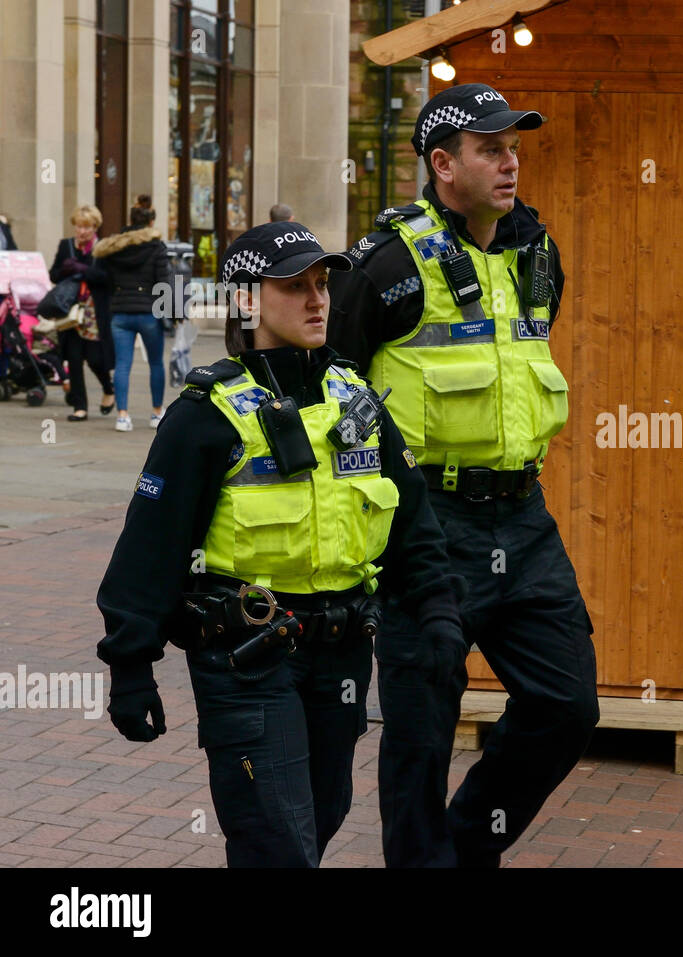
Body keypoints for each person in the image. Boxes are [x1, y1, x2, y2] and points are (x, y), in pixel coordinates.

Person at [95, 221, 465, 867]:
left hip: (342, 661)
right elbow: (149, 546)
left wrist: (437, 610)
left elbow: (413, 522)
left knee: (317, 823)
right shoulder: (205, 415)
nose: (318, 299)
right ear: (247, 300)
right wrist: (131, 665)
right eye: (295, 286)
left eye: (322, 284)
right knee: (280, 847)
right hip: (247, 663)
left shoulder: (358, 402)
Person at [328, 82, 598, 868]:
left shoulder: (538, 253)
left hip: (522, 518)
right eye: (491, 148)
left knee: (566, 703)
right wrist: (364, 525)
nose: (511, 162)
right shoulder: (383, 266)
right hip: (425, 524)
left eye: (514, 147)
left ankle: (467, 843)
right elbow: (334, 397)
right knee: (420, 729)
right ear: (443, 164)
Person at [91, 195, 171, 431]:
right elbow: (164, 282)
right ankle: (157, 413)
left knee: (123, 365)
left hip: (120, 312)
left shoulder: (114, 248)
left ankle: (123, 416)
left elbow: (103, 277)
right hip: (149, 312)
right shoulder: (157, 247)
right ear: (150, 223)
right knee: (156, 363)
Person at [50, 204, 116, 420]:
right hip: (70, 311)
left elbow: (108, 279)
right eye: (78, 226)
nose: (82, 231)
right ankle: (80, 407)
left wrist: (84, 270)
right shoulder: (66, 246)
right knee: (74, 357)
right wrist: (65, 269)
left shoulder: (103, 248)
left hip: (93, 311)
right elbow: (54, 275)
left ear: (95, 227)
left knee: (96, 358)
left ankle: (108, 389)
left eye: (87, 227)